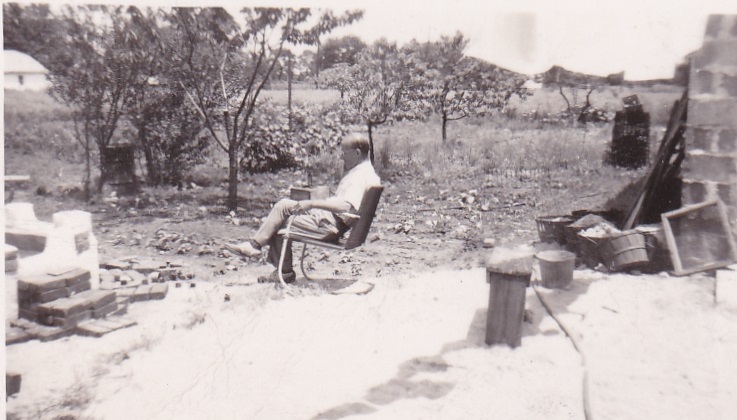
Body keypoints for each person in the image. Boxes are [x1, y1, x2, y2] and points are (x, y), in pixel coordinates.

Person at [225, 132, 380, 284]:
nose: (341, 157)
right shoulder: (366, 172)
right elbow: (347, 203)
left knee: (279, 219)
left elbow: (345, 205)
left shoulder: (359, 176)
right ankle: (257, 249)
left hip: (329, 226)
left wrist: (312, 204)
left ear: (357, 153)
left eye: (344, 153)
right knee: (283, 207)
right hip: (328, 220)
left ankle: (274, 263)